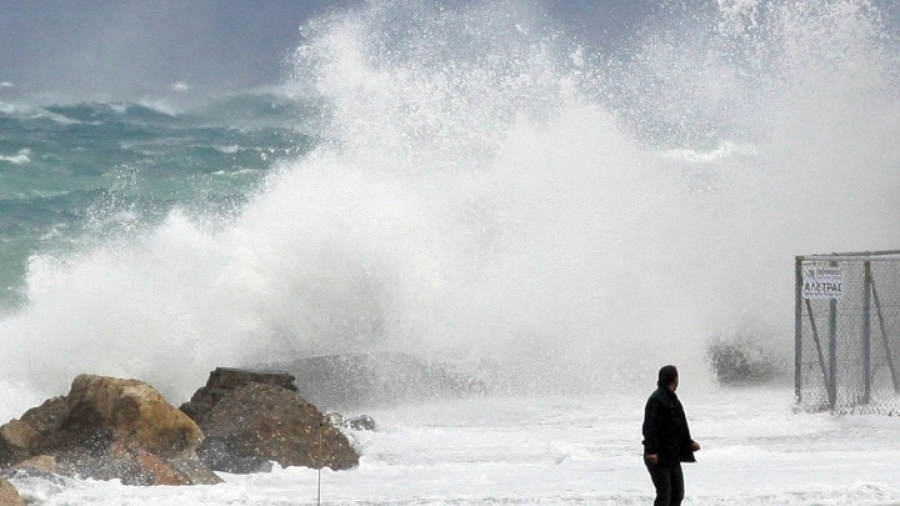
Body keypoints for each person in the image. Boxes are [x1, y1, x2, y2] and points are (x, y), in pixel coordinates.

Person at [642, 365, 701, 506]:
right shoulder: (656, 400)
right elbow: (649, 428)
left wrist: (689, 443)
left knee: (677, 494)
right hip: (659, 456)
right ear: (674, 379)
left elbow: (680, 427)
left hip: (672, 455)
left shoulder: (673, 399)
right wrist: (651, 451)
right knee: (664, 495)